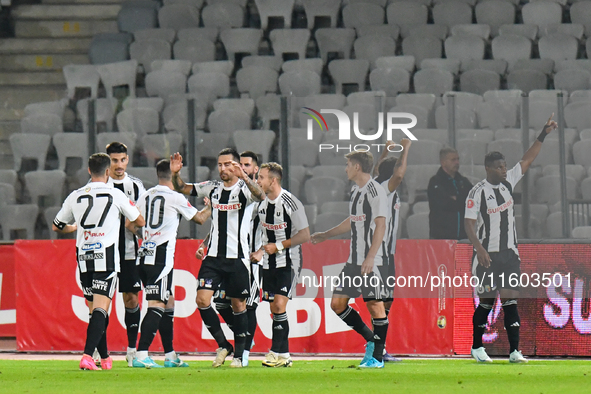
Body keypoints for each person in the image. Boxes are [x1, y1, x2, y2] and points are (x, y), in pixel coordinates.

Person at [466, 115, 557, 364]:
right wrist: (480, 249)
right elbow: (469, 224)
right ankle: (476, 347)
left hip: (509, 255)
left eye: (505, 166)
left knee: (510, 300)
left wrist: (543, 133)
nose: (504, 170)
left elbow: (528, 158)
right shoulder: (476, 193)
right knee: (486, 302)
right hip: (486, 256)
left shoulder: (508, 182)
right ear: (488, 169)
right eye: (499, 167)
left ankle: (515, 351)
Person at [170, 148, 265, 368]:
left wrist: (244, 177)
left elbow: (260, 195)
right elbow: (183, 188)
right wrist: (175, 174)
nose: (223, 168)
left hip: (238, 258)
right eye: (220, 164)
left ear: (236, 165)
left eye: (227, 164)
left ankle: (240, 356)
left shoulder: (244, 189)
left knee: (238, 305)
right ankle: (224, 344)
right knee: (202, 300)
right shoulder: (212, 188)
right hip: (213, 258)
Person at [53, 153, 145, 370]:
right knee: (101, 309)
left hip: (84, 257)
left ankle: (104, 357)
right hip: (106, 256)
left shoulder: (75, 195)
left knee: (94, 309)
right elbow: (139, 220)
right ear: (107, 172)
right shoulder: (115, 194)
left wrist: (74, 228)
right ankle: (87, 356)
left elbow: (57, 225)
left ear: (88, 170)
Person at [311, 151, 389, 369]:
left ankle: (378, 358)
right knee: (337, 304)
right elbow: (353, 222)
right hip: (353, 261)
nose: (345, 168)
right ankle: (372, 342)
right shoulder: (356, 192)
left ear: (357, 167)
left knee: (375, 306)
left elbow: (381, 225)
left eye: (347, 164)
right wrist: (326, 234)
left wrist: (371, 257)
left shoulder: (376, 192)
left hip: (370, 260)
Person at [130, 159, 210, 368]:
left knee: (169, 301)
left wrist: (147, 235)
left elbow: (130, 224)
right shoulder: (175, 197)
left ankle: (170, 355)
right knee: (157, 303)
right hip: (160, 258)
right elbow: (200, 219)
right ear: (174, 174)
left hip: (143, 255)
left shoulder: (145, 195)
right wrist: (214, 207)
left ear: (158, 174)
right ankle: (141, 354)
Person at [250, 162, 310, 368]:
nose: (258, 182)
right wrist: (259, 252)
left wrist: (278, 246)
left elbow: (305, 234)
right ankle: (284, 355)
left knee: (279, 305)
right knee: (275, 309)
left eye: (261, 178)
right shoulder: (262, 205)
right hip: (268, 264)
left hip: (289, 261)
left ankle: (276, 352)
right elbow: (262, 235)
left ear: (273, 180)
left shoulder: (291, 202)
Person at [105, 142, 146, 366]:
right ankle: (99, 351)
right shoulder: (102, 185)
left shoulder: (136, 186)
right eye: (114, 160)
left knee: (131, 299)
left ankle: (131, 350)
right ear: (107, 161)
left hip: (130, 252)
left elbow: (141, 219)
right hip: (106, 254)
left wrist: (135, 227)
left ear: (127, 160)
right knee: (102, 302)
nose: (119, 165)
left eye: (122, 160)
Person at [373, 139, 411, 362]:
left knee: (386, 300)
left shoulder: (379, 184)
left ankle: (379, 345)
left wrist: (385, 151)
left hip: (388, 254)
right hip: (380, 254)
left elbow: (381, 169)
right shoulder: (383, 189)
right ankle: (378, 349)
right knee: (379, 301)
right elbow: (397, 175)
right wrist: (405, 149)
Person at [427, 147, 473, 240]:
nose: (457, 162)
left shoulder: (463, 181)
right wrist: (462, 200)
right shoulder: (435, 182)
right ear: (443, 162)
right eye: (453, 160)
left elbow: (473, 199)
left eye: (458, 159)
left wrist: (457, 199)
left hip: (463, 238)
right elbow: (446, 204)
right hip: (441, 239)